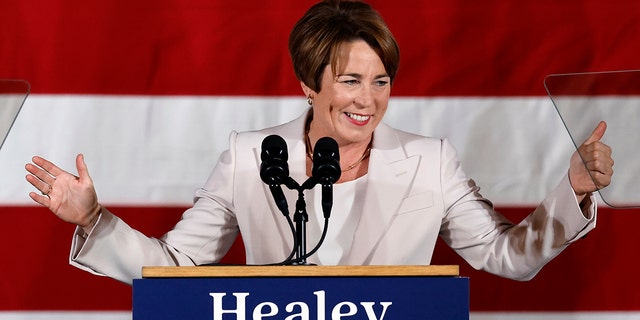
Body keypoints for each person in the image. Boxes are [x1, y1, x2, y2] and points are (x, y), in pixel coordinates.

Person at [25, 0, 613, 285]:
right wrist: (95, 217)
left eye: (381, 81)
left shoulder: (431, 162)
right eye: (350, 80)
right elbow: (175, 265)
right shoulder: (252, 157)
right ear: (309, 84)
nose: (368, 99)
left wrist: (574, 190)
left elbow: (508, 257)